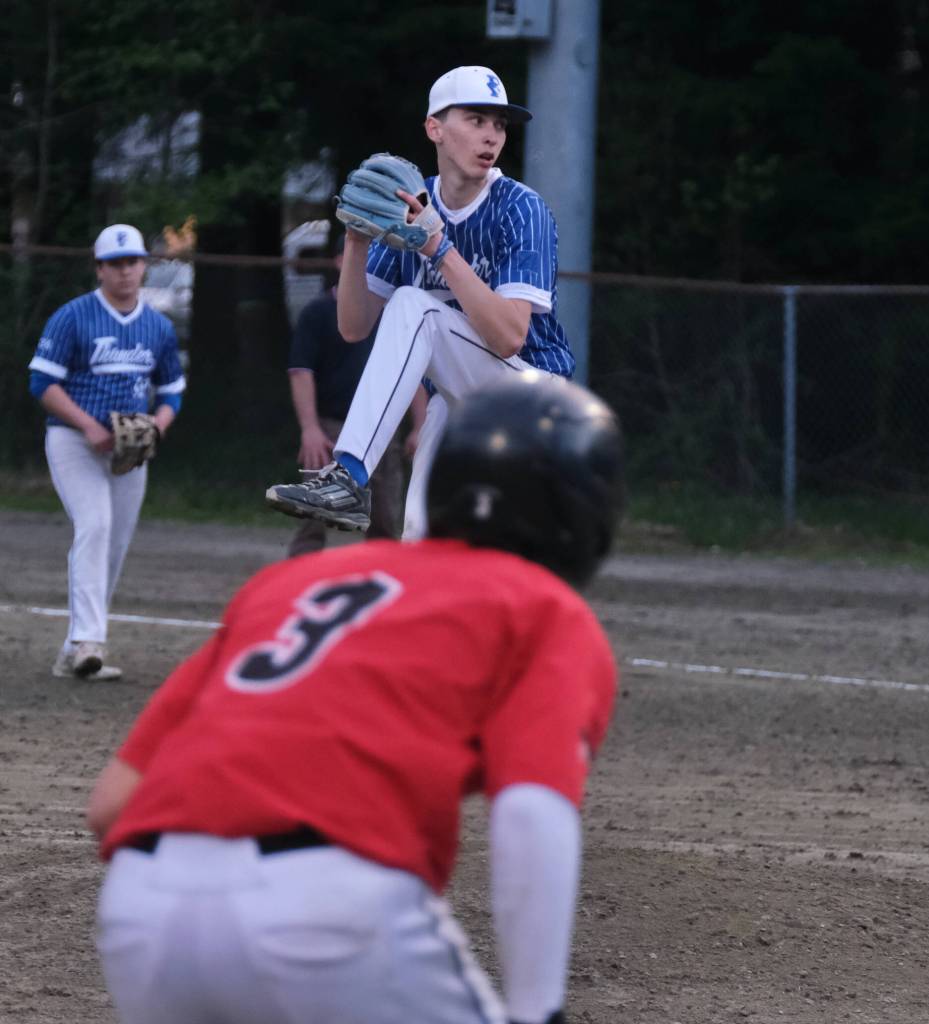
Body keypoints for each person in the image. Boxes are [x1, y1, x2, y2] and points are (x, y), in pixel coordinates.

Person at [87, 372, 624, 1024]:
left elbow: (112, 805)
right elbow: (531, 813)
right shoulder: (541, 607)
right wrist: (538, 1011)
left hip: (144, 910)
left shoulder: (292, 585)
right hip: (330, 908)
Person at [266, 65, 574, 540]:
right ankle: (353, 485)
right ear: (435, 128)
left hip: (531, 395)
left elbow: (511, 337)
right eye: (476, 119)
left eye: (498, 124)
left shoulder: (520, 208)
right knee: (420, 542)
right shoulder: (411, 206)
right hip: (458, 397)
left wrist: (439, 249)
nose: (491, 135)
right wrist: (356, 241)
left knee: (415, 305)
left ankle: (349, 476)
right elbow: (354, 326)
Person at [28, 224, 186, 681]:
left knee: (113, 546)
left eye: (133, 261)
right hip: (72, 440)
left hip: (130, 450)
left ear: (144, 266)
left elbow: (172, 389)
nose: (125, 271)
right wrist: (89, 426)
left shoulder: (157, 325)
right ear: (99, 269)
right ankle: (88, 642)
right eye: (115, 264)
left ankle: (71, 650)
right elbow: (42, 383)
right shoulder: (73, 316)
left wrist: (158, 425)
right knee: (94, 526)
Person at [285, 232, 426, 556]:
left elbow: (413, 371)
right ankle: (298, 583)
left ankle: (383, 583)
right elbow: (301, 372)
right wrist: (310, 429)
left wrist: (420, 426)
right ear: (340, 261)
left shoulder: (394, 312)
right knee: (311, 514)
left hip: (383, 430)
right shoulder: (318, 313)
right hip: (331, 427)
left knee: (386, 518)